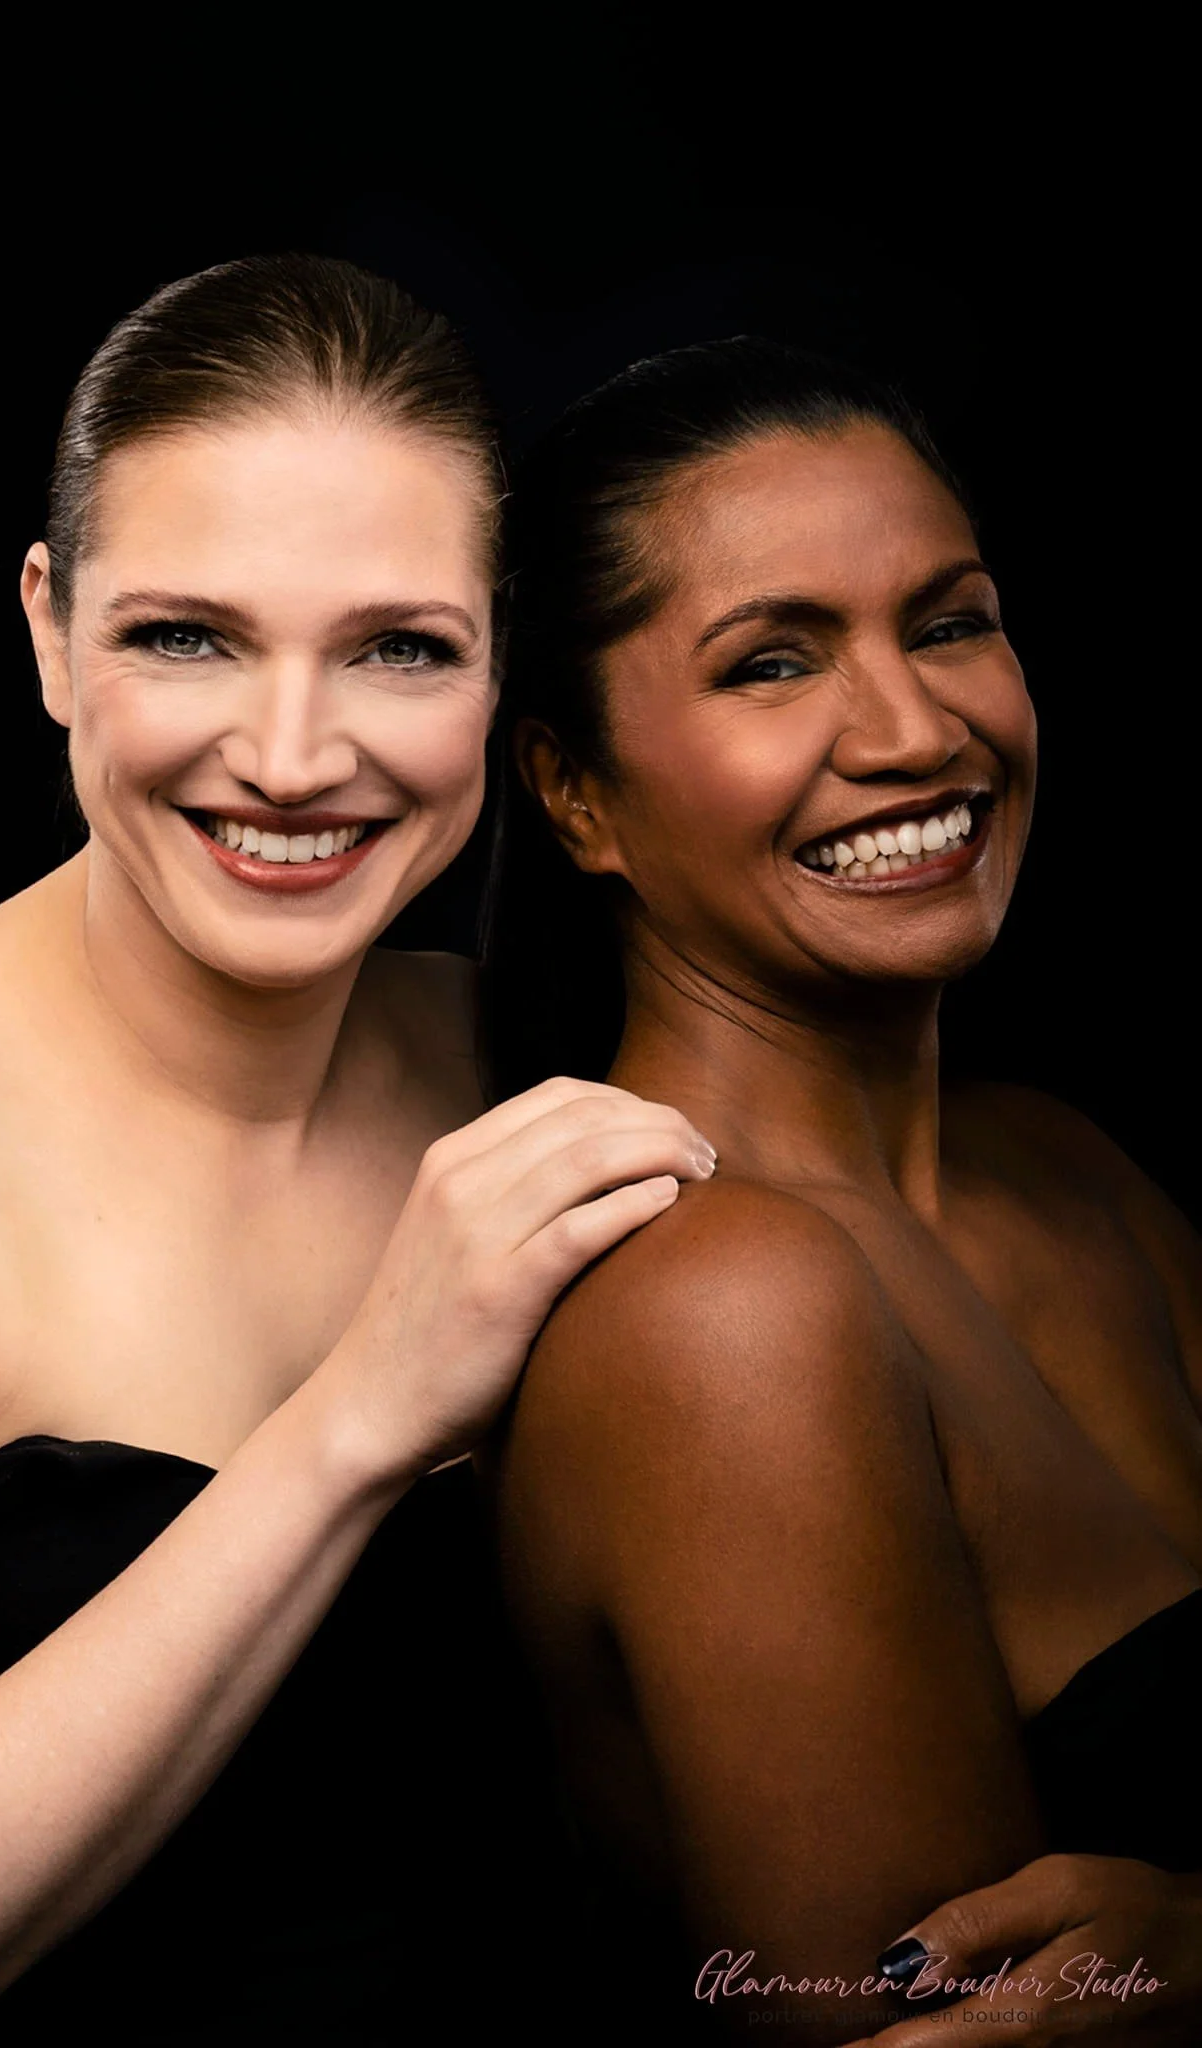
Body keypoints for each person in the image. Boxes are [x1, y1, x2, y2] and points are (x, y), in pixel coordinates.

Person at [0, 253, 721, 2047]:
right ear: (46, 633)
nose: (294, 756)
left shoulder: (513, 1049)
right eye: (186, 636)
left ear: (498, 670)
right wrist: (362, 1414)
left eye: (398, 648)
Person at [480, 337, 1202, 2044]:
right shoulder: (723, 1309)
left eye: (947, 622)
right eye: (772, 664)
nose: (912, 727)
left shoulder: (1064, 1173)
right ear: (575, 793)